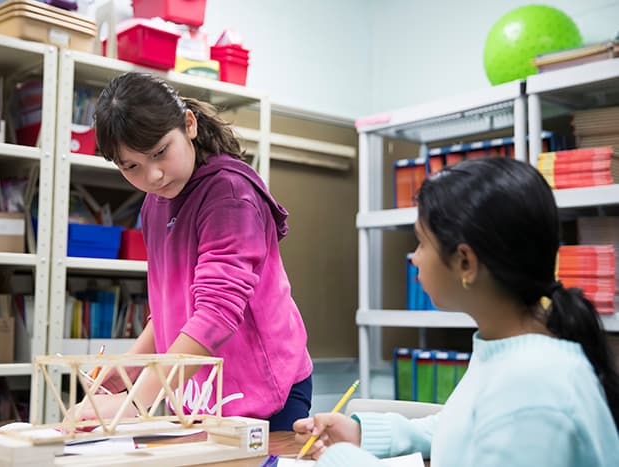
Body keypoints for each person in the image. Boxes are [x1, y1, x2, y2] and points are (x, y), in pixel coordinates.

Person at [294, 157, 619, 465]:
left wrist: (341, 460)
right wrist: (362, 433)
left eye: (421, 243)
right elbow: (462, 428)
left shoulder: (534, 389)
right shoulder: (507, 350)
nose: (415, 258)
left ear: (466, 262)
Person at [77, 72, 313, 431]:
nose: (153, 176)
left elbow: (217, 311)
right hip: (202, 390)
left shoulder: (231, 194)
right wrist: (128, 367)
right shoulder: (155, 206)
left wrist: (136, 399)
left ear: (188, 125)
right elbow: (170, 308)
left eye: (160, 153)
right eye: (132, 167)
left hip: (266, 390)